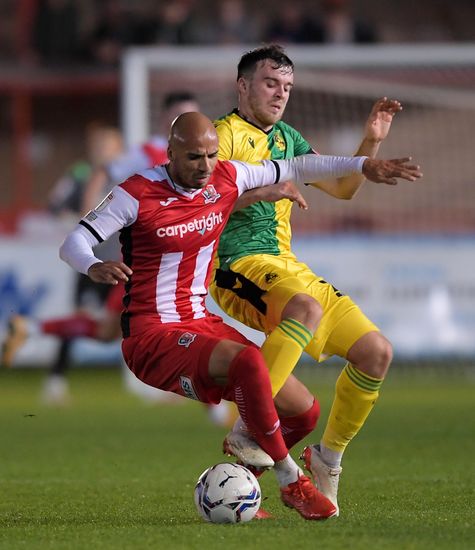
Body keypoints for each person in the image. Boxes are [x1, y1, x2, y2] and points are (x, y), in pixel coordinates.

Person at [58, 112, 420, 520]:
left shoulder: (226, 177)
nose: (205, 166)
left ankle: (235, 491)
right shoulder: (136, 192)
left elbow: (299, 165)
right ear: (170, 153)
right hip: (153, 336)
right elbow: (74, 241)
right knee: (250, 361)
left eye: (212, 155)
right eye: (194, 157)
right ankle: (291, 480)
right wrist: (91, 266)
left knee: (304, 412)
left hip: (201, 323)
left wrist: (362, 164)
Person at [210, 45, 410, 517]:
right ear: (242, 86)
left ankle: (328, 458)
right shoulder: (221, 136)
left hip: (286, 266)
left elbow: (344, 188)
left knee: (376, 352)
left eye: (287, 88)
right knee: (305, 308)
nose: (280, 95)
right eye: (269, 84)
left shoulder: (288, 138)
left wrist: (371, 141)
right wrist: (264, 190)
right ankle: (249, 429)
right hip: (236, 265)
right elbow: (201, 206)